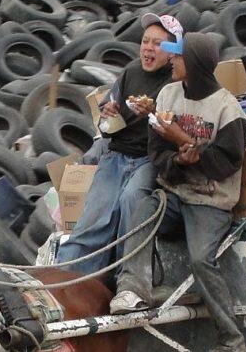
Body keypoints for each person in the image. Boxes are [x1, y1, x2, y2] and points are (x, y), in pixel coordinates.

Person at [110, 32, 246, 352]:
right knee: (145, 210)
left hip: (210, 200)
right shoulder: (169, 95)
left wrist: (192, 151)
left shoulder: (227, 109)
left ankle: (233, 343)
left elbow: (227, 164)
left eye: (178, 57)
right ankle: (133, 290)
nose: (171, 60)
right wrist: (177, 162)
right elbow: (156, 152)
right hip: (176, 192)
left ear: (197, 66)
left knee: (202, 259)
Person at [54, 14, 183, 276]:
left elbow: (178, 128)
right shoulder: (131, 72)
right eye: (145, 41)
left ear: (173, 51)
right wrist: (109, 113)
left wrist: (155, 112)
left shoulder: (176, 82)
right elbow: (105, 122)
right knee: (93, 219)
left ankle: (125, 279)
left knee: (131, 200)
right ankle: (64, 276)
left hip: (150, 159)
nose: (148, 48)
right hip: (117, 154)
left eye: (157, 44)